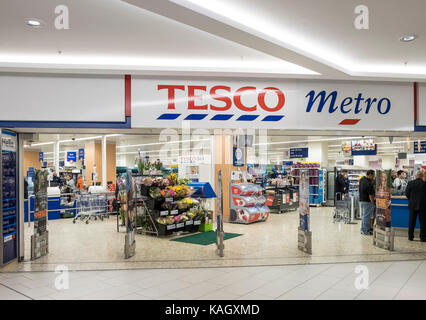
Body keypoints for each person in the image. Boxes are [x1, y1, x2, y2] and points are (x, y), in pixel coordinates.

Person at [405, 170, 426, 242]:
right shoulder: (424, 184)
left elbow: (407, 193)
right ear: (422, 176)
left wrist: (411, 199)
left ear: (416, 175)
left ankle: (410, 236)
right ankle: (422, 237)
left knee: (411, 221)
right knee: (423, 222)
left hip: (412, 205)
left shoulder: (410, 183)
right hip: (423, 205)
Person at [359, 170, 376, 235]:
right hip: (367, 201)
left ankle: (363, 229)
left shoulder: (362, 179)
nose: (374, 177)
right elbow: (370, 195)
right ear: (370, 175)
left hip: (361, 200)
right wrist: (372, 202)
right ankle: (365, 231)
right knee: (367, 216)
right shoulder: (369, 183)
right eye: (373, 175)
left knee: (364, 216)